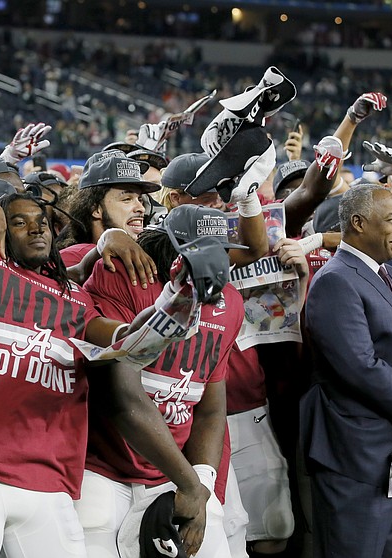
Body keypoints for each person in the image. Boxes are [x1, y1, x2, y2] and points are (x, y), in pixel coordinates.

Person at [0, 191, 194, 557]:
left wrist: (176, 303)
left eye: (42, 222)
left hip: (51, 482)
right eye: (19, 222)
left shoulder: (75, 297)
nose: (35, 229)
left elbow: (128, 341)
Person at [79, 204, 246, 558]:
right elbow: (121, 396)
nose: (220, 265)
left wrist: (199, 484)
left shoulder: (230, 301)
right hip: (103, 468)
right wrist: (189, 483)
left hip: (176, 473)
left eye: (223, 252)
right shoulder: (122, 274)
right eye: (207, 252)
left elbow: (211, 407)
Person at [301, 183, 392, 558]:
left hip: (383, 453)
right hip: (353, 455)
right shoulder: (335, 280)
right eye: (391, 220)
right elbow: (361, 368)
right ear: (358, 223)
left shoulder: (385, 272)